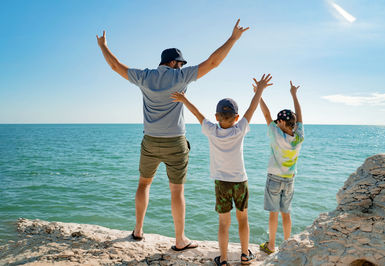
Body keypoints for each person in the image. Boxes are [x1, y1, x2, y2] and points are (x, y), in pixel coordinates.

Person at [96, 19, 249, 251]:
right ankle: (179, 240)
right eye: (180, 63)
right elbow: (213, 62)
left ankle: (137, 230)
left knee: (143, 185)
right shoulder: (180, 77)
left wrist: (103, 46)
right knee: (176, 190)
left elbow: (115, 66)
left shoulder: (145, 77)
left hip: (150, 140)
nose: (181, 66)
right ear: (173, 62)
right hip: (175, 142)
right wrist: (233, 39)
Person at [171, 74, 273, 265]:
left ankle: (224, 259)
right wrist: (260, 89)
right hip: (240, 181)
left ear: (216, 116)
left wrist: (184, 99)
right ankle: (244, 255)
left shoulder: (211, 130)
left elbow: (197, 113)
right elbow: (252, 108)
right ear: (236, 117)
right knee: (243, 219)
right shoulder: (240, 128)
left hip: (221, 183)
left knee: (223, 222)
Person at [257, 81, 305, 254]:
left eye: (278, 121)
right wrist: (294, 94)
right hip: (290, 180)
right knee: (286, 213)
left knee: (273, 213)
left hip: (274, 179)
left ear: (283, 123)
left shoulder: (276, 133)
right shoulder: (299, 137)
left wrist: (259, 94)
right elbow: (299, 117)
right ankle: (286, 246)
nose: (276, 122)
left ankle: (271, 246)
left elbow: (265, 113)